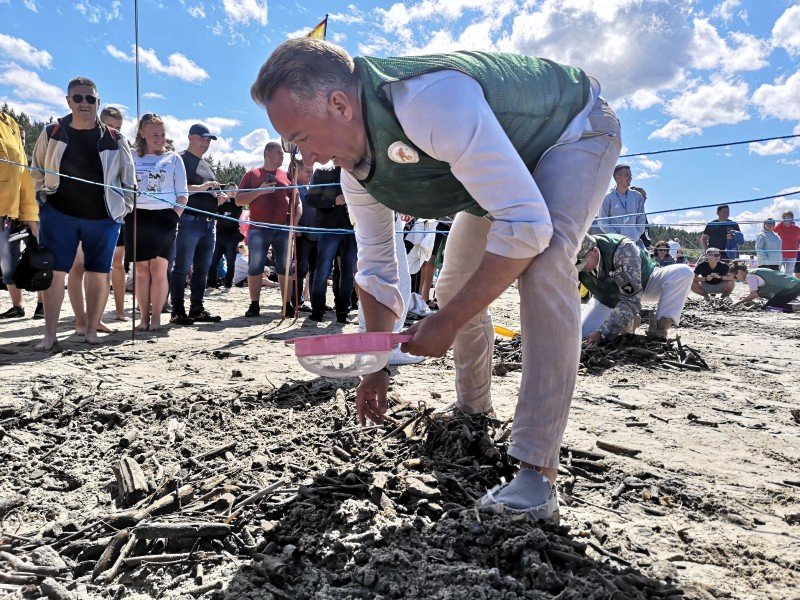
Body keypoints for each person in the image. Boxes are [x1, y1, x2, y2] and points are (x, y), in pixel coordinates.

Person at [252, 38, 622, 522]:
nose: (307, 159)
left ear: (339, 104)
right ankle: (474, 411)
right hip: (500, 164)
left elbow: (527, 226)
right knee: (453, 288)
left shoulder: (427, 102)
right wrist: (377, 365)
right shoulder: (354, 176)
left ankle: (537, 473)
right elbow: (381, 270)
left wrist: (446, 323)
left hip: (572, 130)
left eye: (299, 138)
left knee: (547, 259)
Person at [31, 77, 134, 350]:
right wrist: (42, 199)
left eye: (90, 98)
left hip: (103, 217)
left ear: (98, 102)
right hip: (59, 213)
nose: (84, 103)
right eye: (78, 98)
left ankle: (90, 330)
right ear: (68, 101)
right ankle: (50, 334)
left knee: (99, 272)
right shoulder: (52, 132)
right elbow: (36, 168)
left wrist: (122, 208)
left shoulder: (114, 138)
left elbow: (129, 181)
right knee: (54, 273)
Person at [67, 105, 129, 329]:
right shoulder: (83, 139)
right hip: (77, 210)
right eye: (110, 126)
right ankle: (81, 321)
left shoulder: (120, 143)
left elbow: (127, 179)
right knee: (78, 266)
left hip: (108, 213)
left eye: (118, 127)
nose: (114, 130)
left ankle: (96, 318)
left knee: (103, 268)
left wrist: (125, 206)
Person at [128, 113, 187, 331]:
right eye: (154, 134)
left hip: (165, 216)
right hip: (137, 215)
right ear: (142, 133)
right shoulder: (132, 156)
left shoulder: (173, 159)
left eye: (162, 134)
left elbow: (183, 193)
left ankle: (156, 319)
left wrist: (174, 216)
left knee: (159, 268)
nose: (159, 138)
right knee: (142, 270)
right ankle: (143, 318)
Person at [577, 234, 694, 341]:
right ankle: (631, 321)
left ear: (595, 251)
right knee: (581, 337)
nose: (579, 269)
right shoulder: (568, 261)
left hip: (646, 285)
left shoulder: (623, 248)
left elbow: (632, 300)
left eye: (582, 263)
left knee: (683, 272)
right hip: (606, 299)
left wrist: (602, 332)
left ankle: (659, 330)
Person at [170, 123, 226, 325]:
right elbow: (176, 188)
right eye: (203, 138)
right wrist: (202, 188)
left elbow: (207, 190)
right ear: (190, 137)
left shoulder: (207, 165)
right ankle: (177, 310)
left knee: (203, 269)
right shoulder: (180, 159)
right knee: (182, 267)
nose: (206, 143)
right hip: (188, 220)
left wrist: (219, 197)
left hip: (209, 223)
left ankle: (197, 308)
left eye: (209, 140)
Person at [235, 142, 297, 318]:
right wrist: (259, 191)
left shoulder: (286, 176)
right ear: (267, 153)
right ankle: (254, 304)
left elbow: (293, 201)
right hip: (258, 227)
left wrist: (294, 219)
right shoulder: (252, 175)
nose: (282, 156)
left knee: (286, 266)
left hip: (282, 227)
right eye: (279, 152)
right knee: (255, 265)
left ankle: (287, 304)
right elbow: (239, 200)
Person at [305, 166, 357, 323]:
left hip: (351, 230)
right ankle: (317, 310)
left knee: (348, 275)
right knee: (322, 272)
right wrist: (333, 201)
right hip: (328, 229)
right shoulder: (322, 173)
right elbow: (310, 199)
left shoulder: (355, 172)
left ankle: (343, 312)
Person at [0, 110, 39, 319]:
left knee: (21, 258)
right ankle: (18, 305)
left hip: (12, 210)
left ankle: (27, 305)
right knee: (7, 260)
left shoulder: (10, 123)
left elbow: (23, 174)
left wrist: (30, 213)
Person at [594, 165, 646, 246]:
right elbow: (603, 222)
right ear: (618, 178)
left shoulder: (637, 196)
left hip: (634, 242)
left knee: (645, 257)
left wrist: (637, 233)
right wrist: (617, 237)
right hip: (615, 244)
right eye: (627, 175)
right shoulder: (607, 198)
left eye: (630, 175)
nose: (630, 178)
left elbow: (641, 218)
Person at [208, 182, 243, 289]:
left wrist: (227, 199)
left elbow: (235, 213)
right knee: (213, 262)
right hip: (219, 236)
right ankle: (212, 284)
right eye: (231, 189)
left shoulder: (238, 203)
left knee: (230, 263)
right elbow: (215, 214)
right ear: (226, 190)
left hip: (232, 237)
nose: (233, 191)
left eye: (235, 189)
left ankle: (228, 284)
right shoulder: (220, 202)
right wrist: (220, 201)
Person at [293, 164, 317, 311]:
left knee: (315, 270)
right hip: (302, 234)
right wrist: (296, 227)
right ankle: (297, 301)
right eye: (307, 171)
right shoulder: (294, 188)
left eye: (312, 171)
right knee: (301, 269)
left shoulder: (312, 189)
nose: (310, 173)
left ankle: (316, 301)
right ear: (298, 172)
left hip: (317, 234)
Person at [731, 262, 800, 311]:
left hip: (791, 288)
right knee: (772, 304)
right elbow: (756, 293)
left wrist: (738, 303)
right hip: (794, 285)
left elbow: (753, 295)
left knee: (771, 306)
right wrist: (746, 298)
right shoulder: (752, 272)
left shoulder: (750, 276)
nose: (735, 279)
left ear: (739, 271)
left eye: (735, 276)